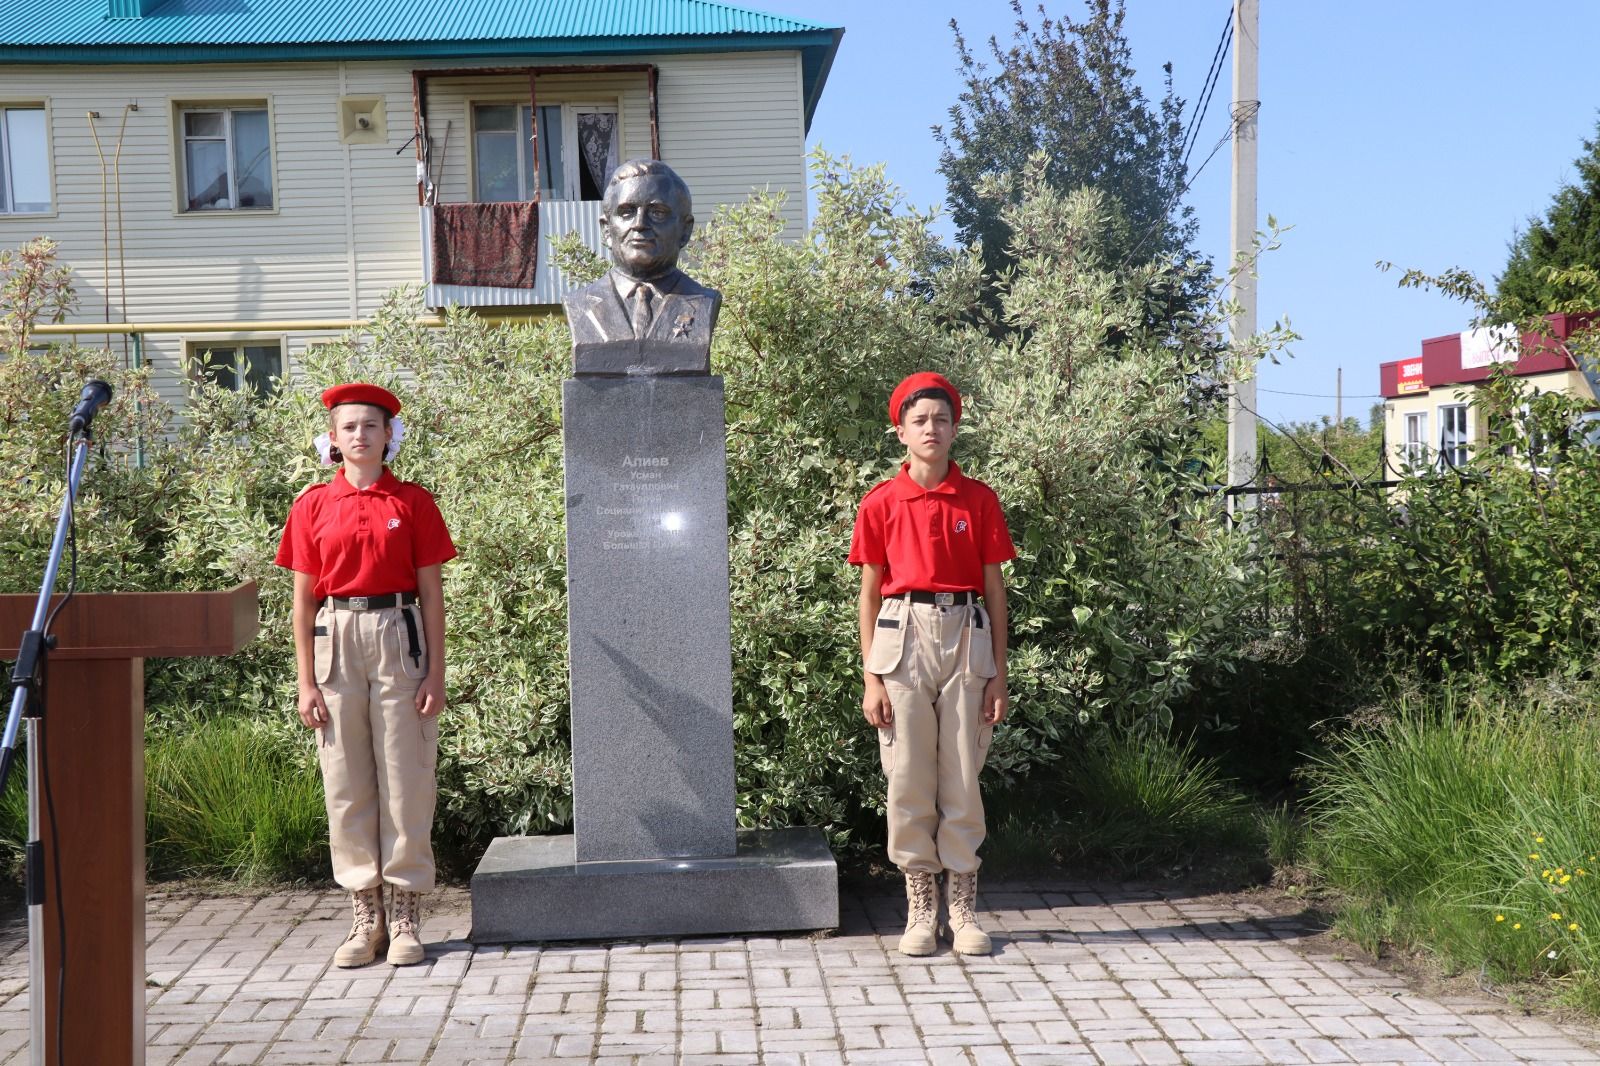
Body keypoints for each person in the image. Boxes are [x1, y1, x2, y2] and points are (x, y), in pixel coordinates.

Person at [275, 383, 456, 968]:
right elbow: (302, 603)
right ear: (333, 438)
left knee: (406, 776)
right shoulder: (311, 506)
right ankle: (365, 915)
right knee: (346, 779)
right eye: (348, 426)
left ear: (387, 436)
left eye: (370, 426)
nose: (359, 435)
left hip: (398, 638)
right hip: (335, 642)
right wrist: (306, 682)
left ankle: (404, 914)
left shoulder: (413, 503)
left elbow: (432, 595)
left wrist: (436, 672)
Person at [848, 371, 1016, 957]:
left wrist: (998, 670)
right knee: (909, 774)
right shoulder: (881, 503)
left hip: (966, 634)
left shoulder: (979, 500)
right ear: (900, 431)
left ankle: (964, 910)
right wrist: (872, 675)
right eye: (919, 420)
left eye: (941, 419)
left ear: (955, 427)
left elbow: (994, 589)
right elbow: (869, 594)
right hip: (902, 637)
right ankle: (922, 908)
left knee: (963, 772)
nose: (931, 429)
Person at [562, 158, 721, 375]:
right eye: (626, 212)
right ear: (606, 230)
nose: (639, 223)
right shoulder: (579, 305)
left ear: (685, 230)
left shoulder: (703, 302)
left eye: (657, 212)